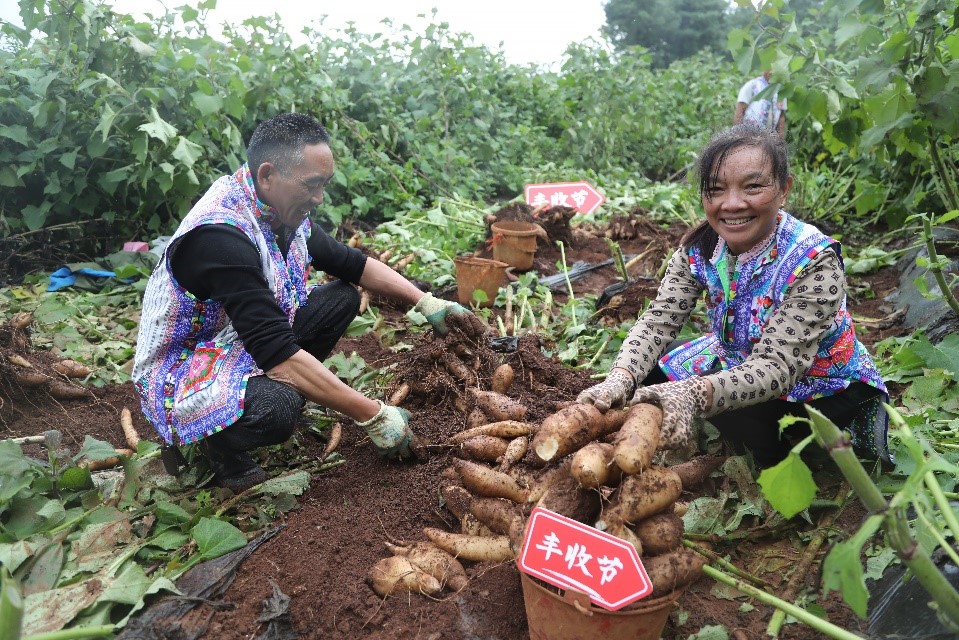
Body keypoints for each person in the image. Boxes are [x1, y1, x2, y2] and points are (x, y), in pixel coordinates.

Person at [133, 112, 485, 492]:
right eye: (311, 186)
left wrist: (425, 301)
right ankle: (217, 446)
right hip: (182, 370)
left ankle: (276, 392)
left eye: (324, 185)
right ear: (268, 175)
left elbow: (351, 263)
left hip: (234, 345)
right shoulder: (220, 235)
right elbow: (277, 351)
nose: (318, 199)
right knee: (277, 409)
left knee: (341, 298)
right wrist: (373, 415)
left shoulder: (278, 209)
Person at [577, 123, 888, 467]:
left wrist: (696, 392)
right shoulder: (700, 249)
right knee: (652, 371)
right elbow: (658, 321)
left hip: (817, 383)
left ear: (784, 189)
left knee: (742, 413)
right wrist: (621, 376)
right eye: (717, 189)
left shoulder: (814, 261)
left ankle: (783, 456)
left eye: (753, 186)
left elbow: (776, 368)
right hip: (737, 358)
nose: (733, 204)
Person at [734, 70, 786, 135]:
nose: (771, 72)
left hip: (770, 137)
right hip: (749, 134)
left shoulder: (781, 90)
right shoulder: (752, 85)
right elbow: (740, 110)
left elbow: (781, 118)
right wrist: (739, 135)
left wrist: (780, 140)